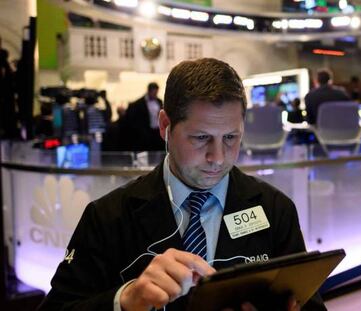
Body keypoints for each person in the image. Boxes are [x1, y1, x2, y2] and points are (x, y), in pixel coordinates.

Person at [38, 58, 326, 311]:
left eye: (230, 137)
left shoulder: (275, 210)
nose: (217, 157)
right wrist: (125, 300)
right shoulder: (108, 217)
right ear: (165, 125)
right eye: (201, 138)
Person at [123, 82, 164, 151]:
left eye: (156, 93)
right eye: (154, 93)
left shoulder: (159, 101)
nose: (155, 95)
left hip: (157, 132)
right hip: (145, 133)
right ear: (149, 91)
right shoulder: (138, 103)